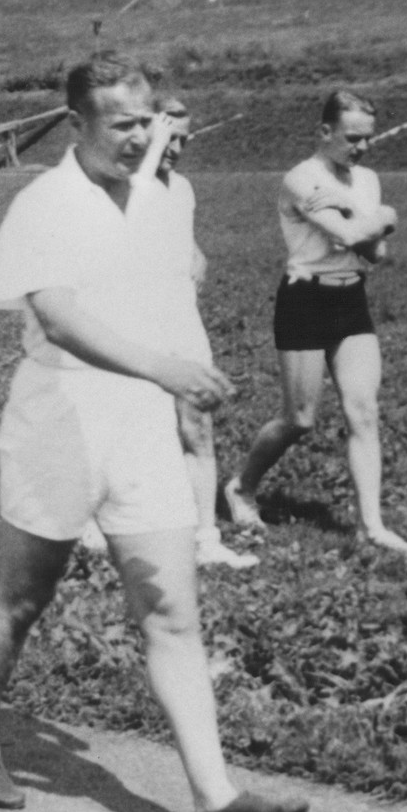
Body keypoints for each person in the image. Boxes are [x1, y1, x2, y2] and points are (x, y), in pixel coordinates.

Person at [0, 55, 307, 812]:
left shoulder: (161, 198)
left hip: (140, 423)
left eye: (149, 121)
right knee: (21, 598)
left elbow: (172, 287)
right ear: (77, 123)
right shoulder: (42, 203)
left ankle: (215, 800)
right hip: (58, 415)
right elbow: (61, 317)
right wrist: (166, 370)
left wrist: (178, 371)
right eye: (123, 124)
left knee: (173, 612)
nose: (141, 136)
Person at [223, 91, 407, 553]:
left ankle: (370, 526)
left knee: (363, 410)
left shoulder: (366, 180)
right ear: (325, 132)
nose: (362, 148)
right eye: (352, 138)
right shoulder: (301, 179)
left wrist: (364, 211)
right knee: (300, 419)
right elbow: (354, 234)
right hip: (304, 300)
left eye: (368, 139)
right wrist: (377, 219)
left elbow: (375, 251)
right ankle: (240, 487)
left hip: (351, 299)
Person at [128, 98, 258, 570]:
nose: (176, 149)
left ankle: (206, 537)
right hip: (131, 327)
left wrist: (193, 258)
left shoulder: (181, 188)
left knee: (197, 427)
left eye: (184, 139)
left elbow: (178, 239)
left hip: (181, 322)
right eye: (168, 137)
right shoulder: (121, 183)